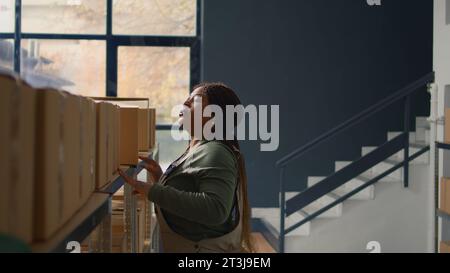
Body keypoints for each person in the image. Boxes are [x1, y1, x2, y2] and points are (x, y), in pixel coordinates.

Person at [118, 82, 254, 253]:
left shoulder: (215, 151)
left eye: (194, 101)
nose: (184, 104)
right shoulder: (200, 148)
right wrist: (160, 179)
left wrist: (153, 191)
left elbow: (215, 210)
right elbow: (193, 190)